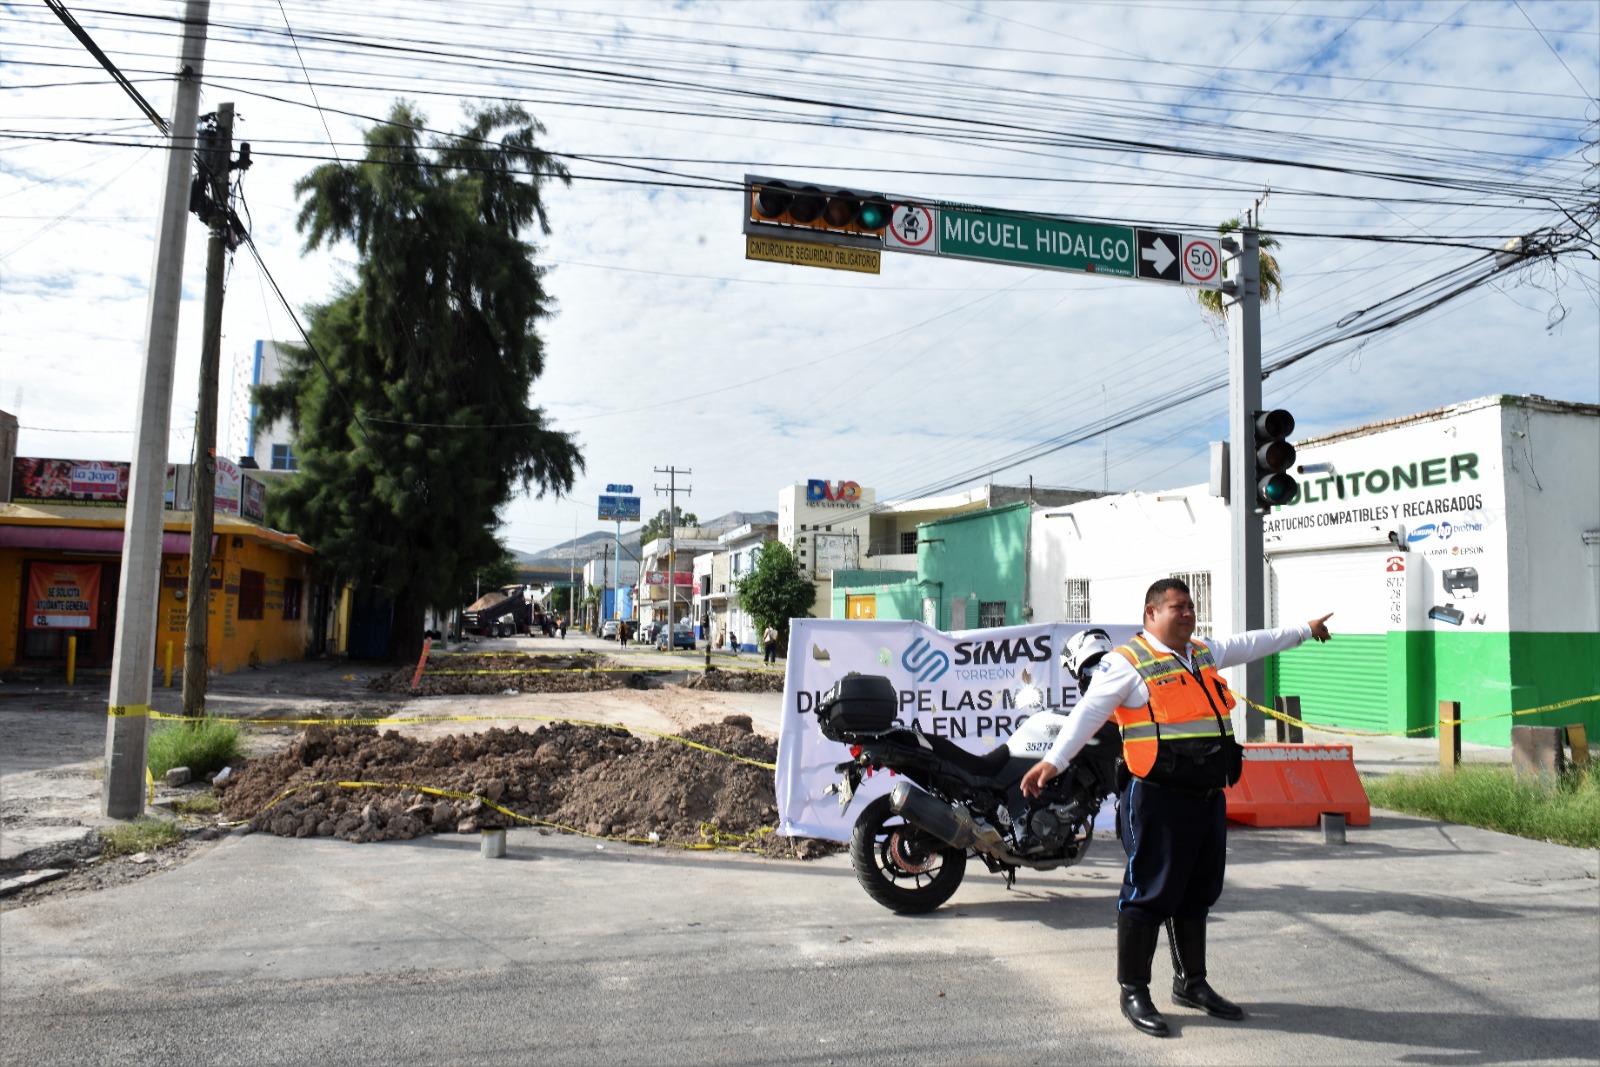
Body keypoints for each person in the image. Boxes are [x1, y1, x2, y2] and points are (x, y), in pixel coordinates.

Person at [1021, 578, 1332, 1038]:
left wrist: (1303, 630)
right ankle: (1134, 991)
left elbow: (1250, 643)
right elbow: (1088, 712)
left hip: (1206, 797)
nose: (1187, 613)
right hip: (1157, 797)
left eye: (1190, 606)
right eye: (1176, 607)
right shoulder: (1126, 664)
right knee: (1149, 894)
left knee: (1197, 894)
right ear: (1151, 614)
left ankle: (1192, 983)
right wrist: (1054, 759)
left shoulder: (1201, 653)